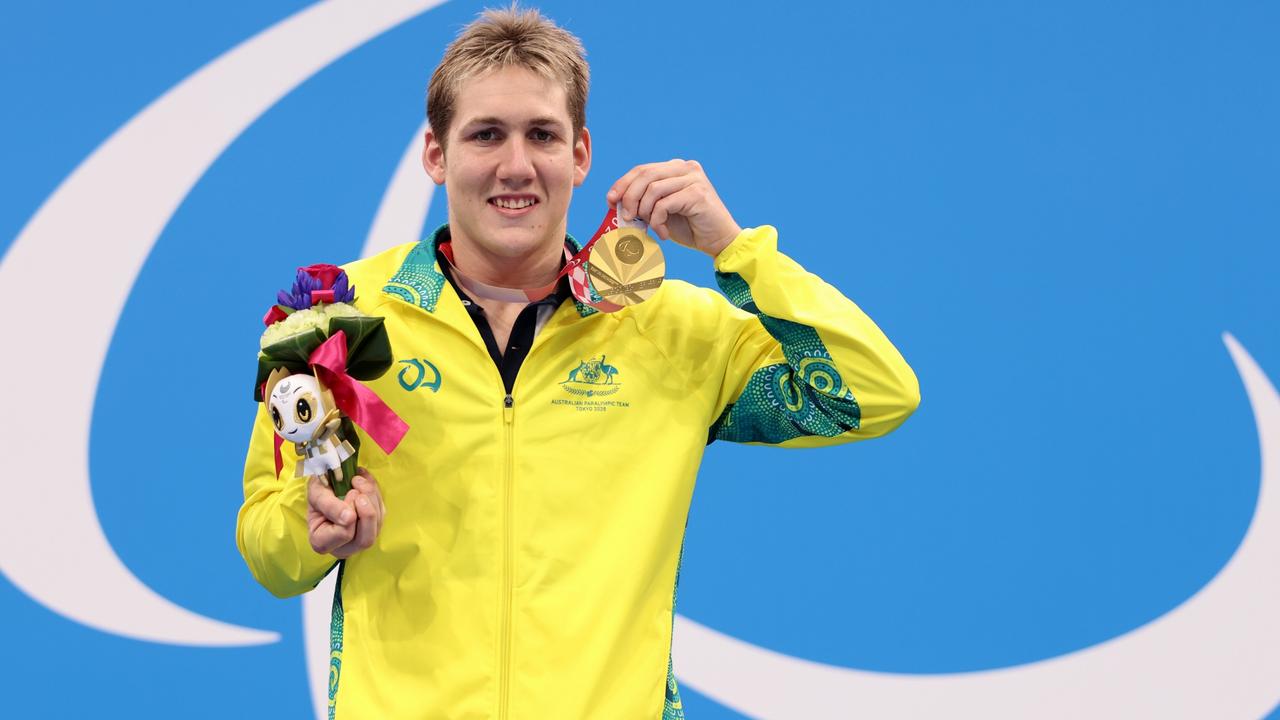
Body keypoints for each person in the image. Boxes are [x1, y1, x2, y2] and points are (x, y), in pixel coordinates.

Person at [237, 6, 920, 719]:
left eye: (542, 135)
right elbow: (266, 548)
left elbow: (873, 392)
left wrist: (735, 250)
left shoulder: (671, 329)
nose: (516, 165)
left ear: (581, 154)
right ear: (436, 155)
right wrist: (309, 533)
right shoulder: (338, 318)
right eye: (485, 135)